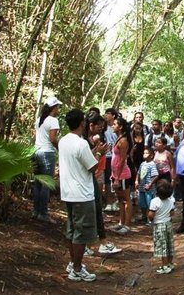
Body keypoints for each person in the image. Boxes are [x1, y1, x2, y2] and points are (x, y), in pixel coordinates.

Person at [59, 108, 98, 282]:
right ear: (82, 123)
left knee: (72, 230)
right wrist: (99, 153)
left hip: (68, 192)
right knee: (81, 233)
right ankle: (76, 268)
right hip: (82, 194)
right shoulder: (81, 144)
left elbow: (79, 160)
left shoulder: (63, 141)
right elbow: (92, 167)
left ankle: (73, 262)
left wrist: (94, 152)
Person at [83, 111, 122, 256]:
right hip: (86, 180)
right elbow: (88, 162)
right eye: (99, 126)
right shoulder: (83, 141)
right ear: (91, 125)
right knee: (93, 210)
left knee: (96, 210)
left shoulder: (88, 140)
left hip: (90, 178)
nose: (101, 129)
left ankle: (96, 243)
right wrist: (98, 153)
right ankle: (97, 243)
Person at [33, 96, 61, 222]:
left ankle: (36, 211)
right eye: (57, 107)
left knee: (38, 183)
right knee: (46, 184)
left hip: (37, 151)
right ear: (54, 108)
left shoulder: (39, 119)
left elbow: (36, 136)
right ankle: (43, 213)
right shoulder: (53, 121)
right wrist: (60, 148)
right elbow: (53, 139)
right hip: (47, 153)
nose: (58, 109)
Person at [148, 178, 176, 274]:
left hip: (159, 225)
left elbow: (151, 215)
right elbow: (172, 213)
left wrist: (150, 219)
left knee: (163, 246)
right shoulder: (171, 201)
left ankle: (164, 266)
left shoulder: (155, 201)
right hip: (168, 224)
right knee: (169, 245)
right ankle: (170, 263)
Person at [110, 116, 133, 234]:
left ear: (121, 127)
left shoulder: (123, 141)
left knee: (126, 199)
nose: (112, 126)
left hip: (122, 175)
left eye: (115, 124)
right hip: (116, 174)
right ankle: (121, 223)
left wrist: (117, 178)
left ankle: (127, 225)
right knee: (120, 199)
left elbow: (123, 160)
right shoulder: (118, 139)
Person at [137, 148, 159, 222]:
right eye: (144, 153)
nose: (144, 154)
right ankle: (144, 216)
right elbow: (138, 173)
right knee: (142, 203)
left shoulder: (152, 164)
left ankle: (150, 218)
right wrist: (136, 181)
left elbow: (156, 176)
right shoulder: (142, 164)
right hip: (141, 187)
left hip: (149, 189)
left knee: (149, 203)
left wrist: (150, 184)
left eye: (146, 153)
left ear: (151, 155)